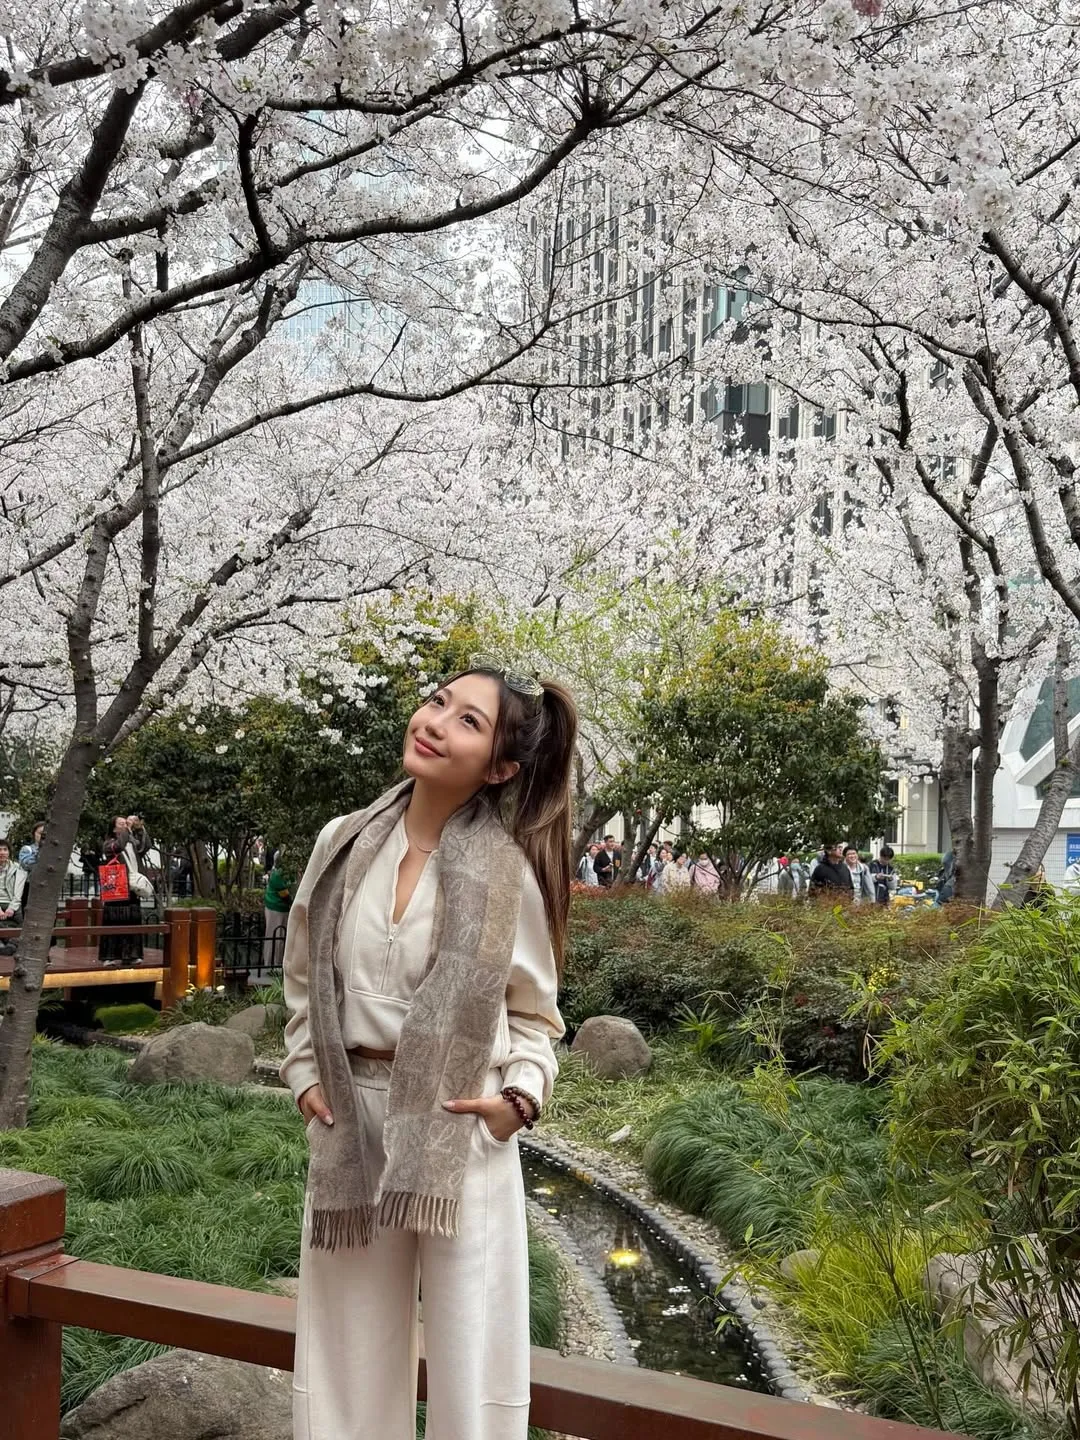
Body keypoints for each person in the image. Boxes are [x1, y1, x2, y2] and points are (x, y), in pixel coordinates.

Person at [281, 657, 574, 1440]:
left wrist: (517, 1100)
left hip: (459, 1126)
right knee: (344, 1361)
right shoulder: (341, 842)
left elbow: (536, 1017)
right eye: (439, 702)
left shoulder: (509, 875)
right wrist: (305, 1075)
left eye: (467, 721)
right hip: (351, 1123)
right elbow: (304, 979)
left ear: (500, 768)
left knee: (471, 1361)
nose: (435, 723)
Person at [98, 819, 152, 967]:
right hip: (117, 887)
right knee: (114, 921)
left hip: (132, 886)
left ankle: (131, 955)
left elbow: (146, 846)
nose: (125, 825)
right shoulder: (109, 844)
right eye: (121, 824)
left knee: (132, 920)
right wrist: (127, 830)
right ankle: (109, 956)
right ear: (114, 829)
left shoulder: (131, 843)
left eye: (126, 823)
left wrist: (140, 828)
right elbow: (119, 846)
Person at [264, 853, 295, 966]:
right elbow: (285, 895)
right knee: (276, 936)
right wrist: (293, 904)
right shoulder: (277, 875)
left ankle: (276, 962)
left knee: (279, 936)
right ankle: (272, 963)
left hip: (279, 908)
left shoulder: (281, 873)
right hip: (276, 909)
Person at [18, 821, 44, 912]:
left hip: (48, 887)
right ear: (34, 834)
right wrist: (40, 852)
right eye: (40, 833)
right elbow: (27, 865)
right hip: (30, 886)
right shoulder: (27, 849)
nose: (43, 836)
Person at [0, 840, 27, 924]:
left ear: (9, 852)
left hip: (12, 903)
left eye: (5, 849)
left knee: (22, 928)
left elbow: (19, 891)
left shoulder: (17, 868)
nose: (2, 852)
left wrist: (12, 907)